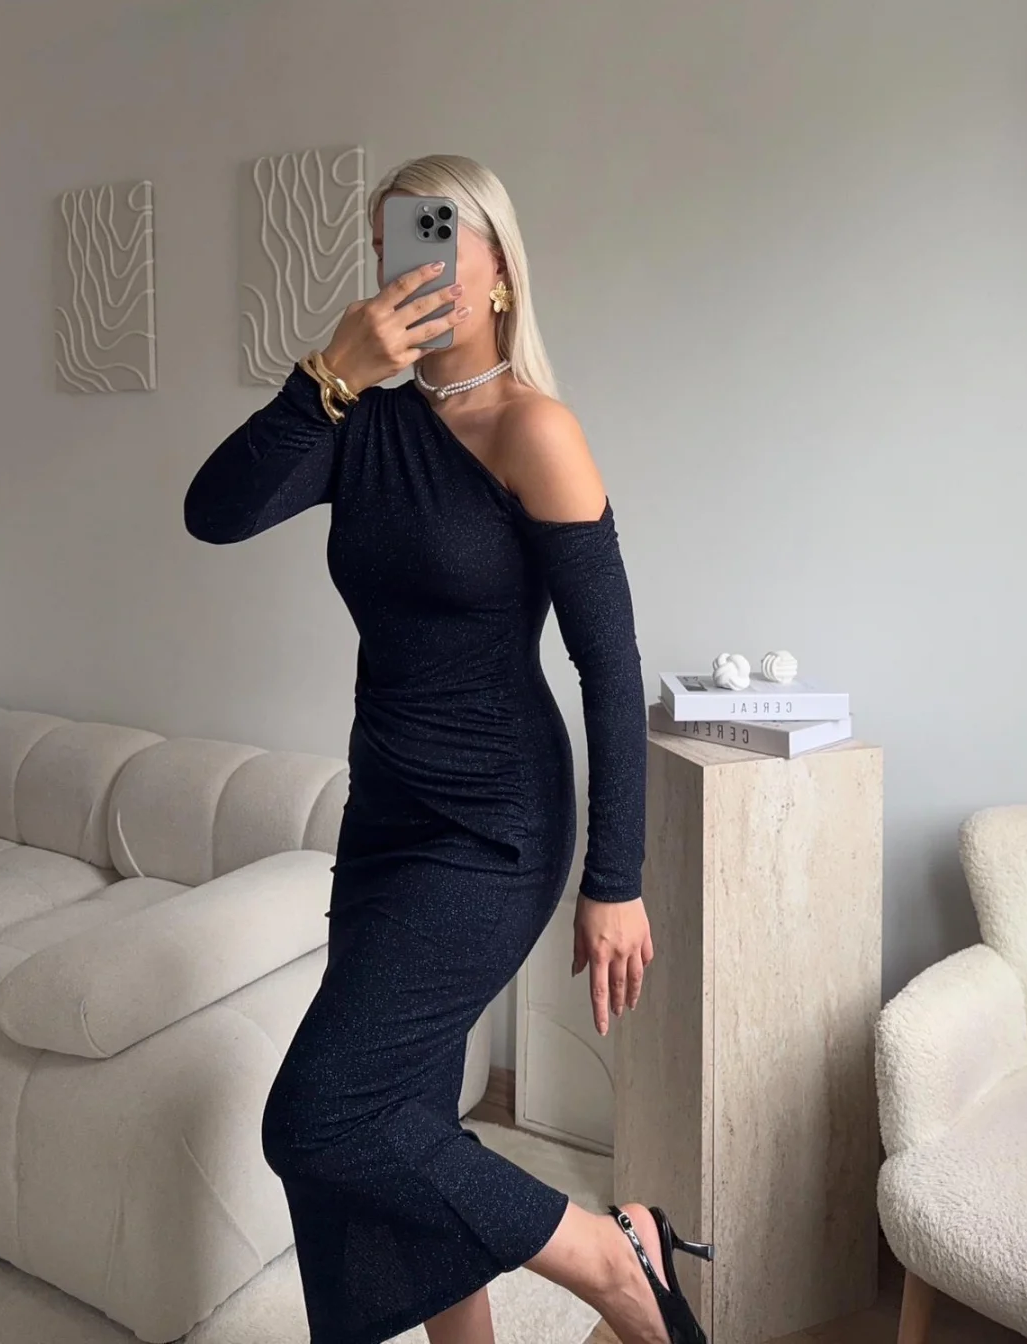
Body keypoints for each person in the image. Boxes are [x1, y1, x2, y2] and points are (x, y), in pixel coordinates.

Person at [183, 154, 709, 1344]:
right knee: (402, 1119)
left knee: (319, 1118)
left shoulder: (535, 431)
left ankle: (612, 1254)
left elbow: (609, 664)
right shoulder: (358, 423)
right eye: (387, 247)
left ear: (501, 272)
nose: (404, 269)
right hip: (385, 821)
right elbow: (214, 513)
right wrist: (327, 375)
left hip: (496, 828)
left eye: (432, 237)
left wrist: (615, 877)